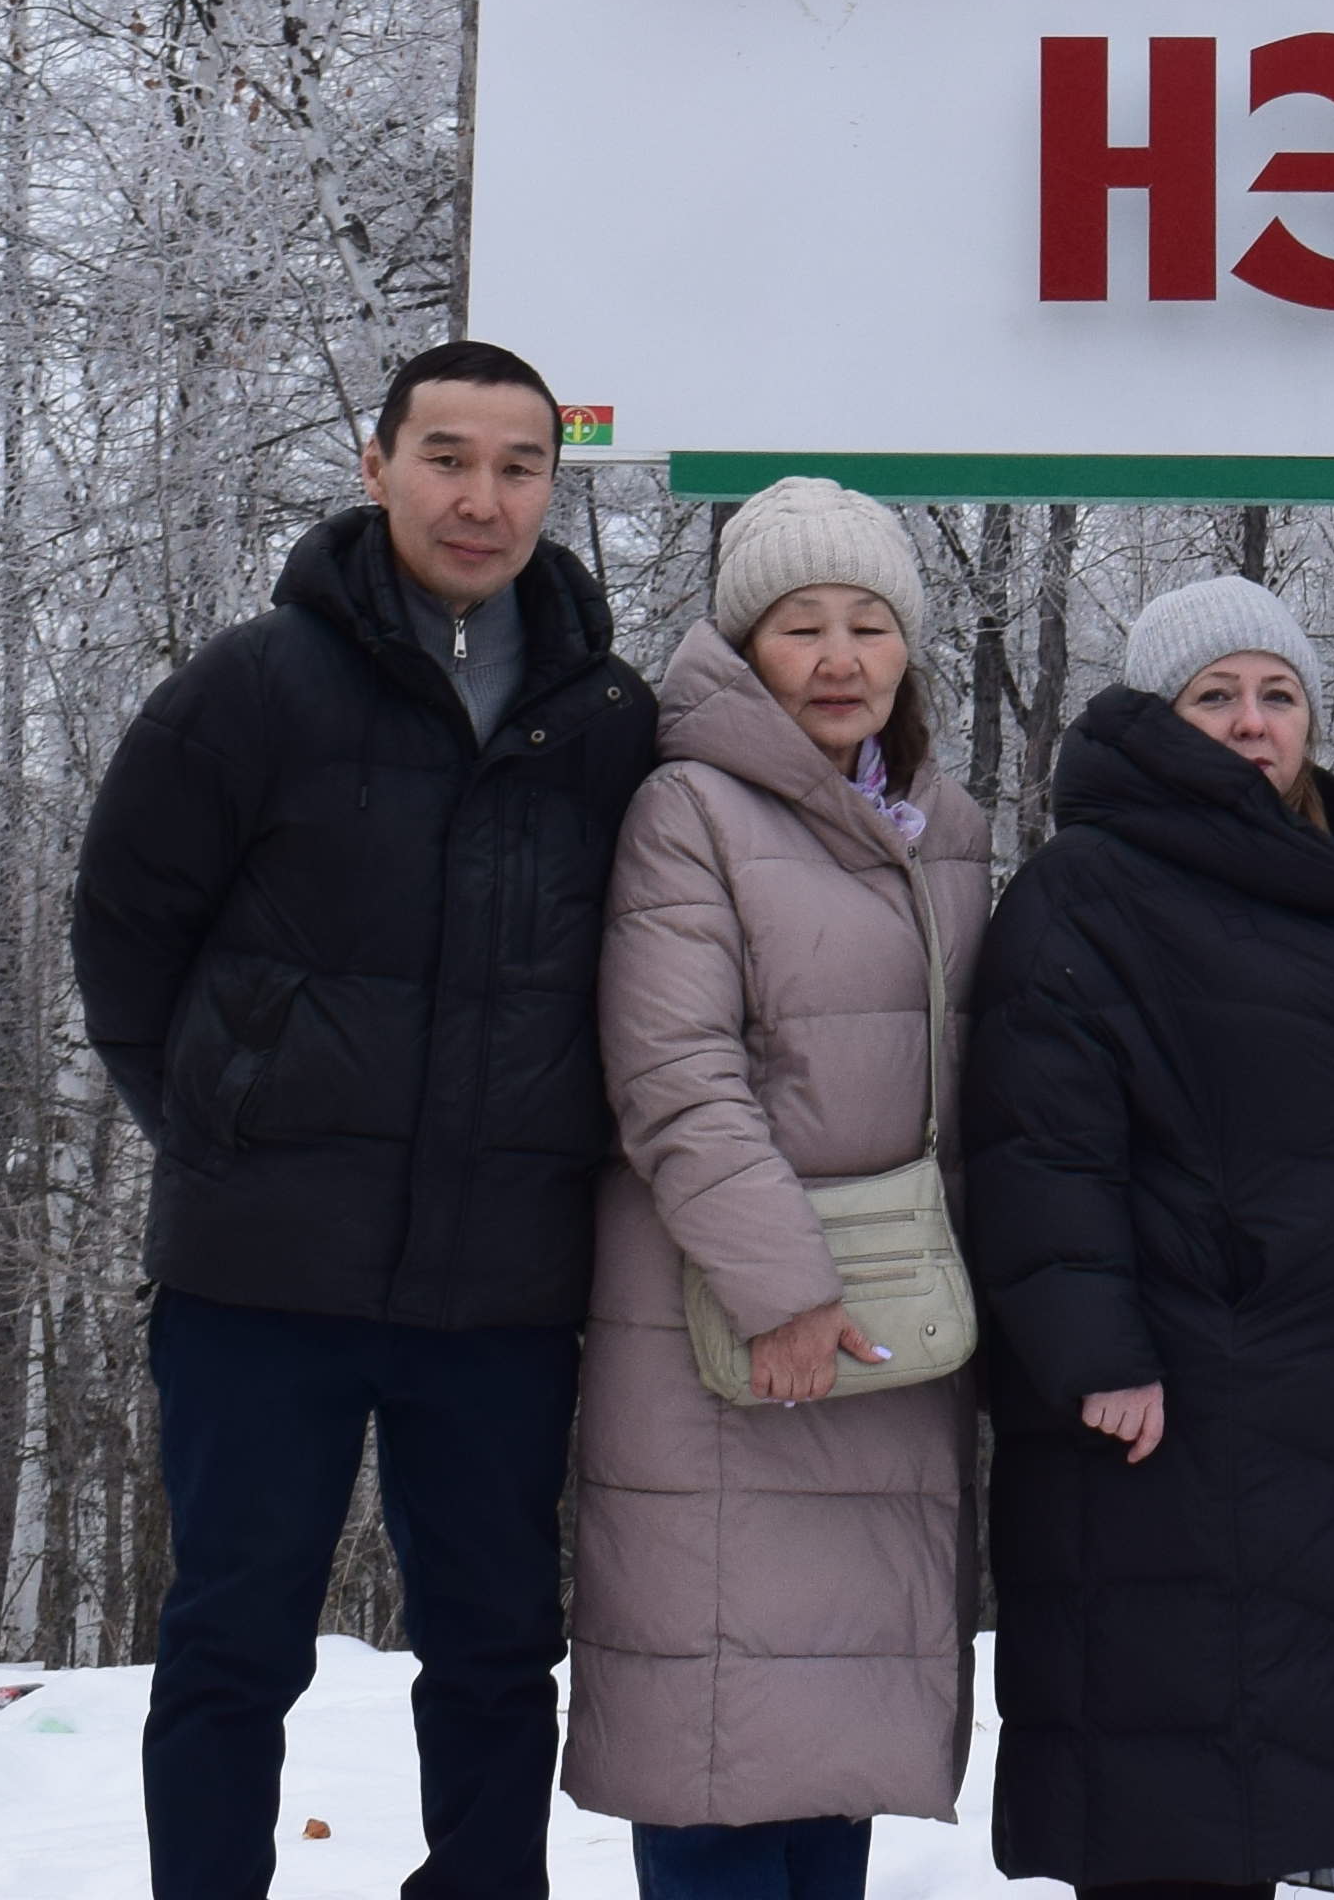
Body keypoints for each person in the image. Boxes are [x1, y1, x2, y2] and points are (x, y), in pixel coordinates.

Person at [71, 338, 657, 1900]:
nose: (481, 497)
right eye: (447, 458)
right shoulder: (255, 686)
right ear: (377, 464)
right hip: (262, 1275)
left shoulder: (607, 720)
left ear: (553, 488)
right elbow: (125, 936)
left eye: (519, 467)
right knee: (233, 1639)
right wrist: (221, 1129)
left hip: (506, 1284)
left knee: (497, 1644)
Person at [970, 569, 1334, 1900]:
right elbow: (1042, 1140)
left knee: (1279, 1781)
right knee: (1178, 1808)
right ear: (1157, 718)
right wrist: (1094, 1351)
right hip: (1177, 1411)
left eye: (1279, 695)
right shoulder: (1085, 890)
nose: (1254, 721)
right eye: (1215, 696)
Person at [562, 477, 992, 1898]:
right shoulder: (688, 808)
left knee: (832, 1741)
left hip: (897, 1337)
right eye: (802, 626)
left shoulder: (942, 827)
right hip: (733, 1332)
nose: (840, 657)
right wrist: (785, 1290)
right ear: (746, 648)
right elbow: (673, 1072)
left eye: (871, 623)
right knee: (724, 1736)